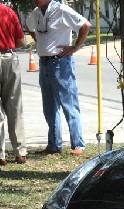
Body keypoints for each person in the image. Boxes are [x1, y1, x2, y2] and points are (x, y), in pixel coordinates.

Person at [26, 0, 91, 156]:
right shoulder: (36, 13)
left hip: (60, 62)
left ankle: (78, 144)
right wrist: (40, 42)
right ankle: (54, 145)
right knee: (49, 106)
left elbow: (85, 25)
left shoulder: (61, 9)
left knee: (69, 104)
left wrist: (75, 47)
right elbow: (30, 28)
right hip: (44, 63)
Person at [0, 2, 27, 166]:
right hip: (10, 58)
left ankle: (1, 155)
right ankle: (20, 152)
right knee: (14, 105)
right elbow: (21, 41)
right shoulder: (8, 12)